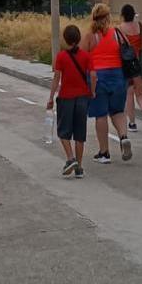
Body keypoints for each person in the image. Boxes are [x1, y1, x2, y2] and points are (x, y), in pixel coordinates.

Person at [82, 3, 132, 164]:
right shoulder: (117, 32)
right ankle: (123, 136)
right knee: (118, 111)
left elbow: (82, 58)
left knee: (100, 114)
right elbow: (128, 50)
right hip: (118, 75)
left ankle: (104, 152)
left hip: (98, 77)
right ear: (108, 17)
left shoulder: (90, 35)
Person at [47, 25, 94, 178]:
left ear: (66, 40)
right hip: (82, 98)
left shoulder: (61, 56)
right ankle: (79, 168)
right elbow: (93, 75)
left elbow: (56, 79)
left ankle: (70, 158)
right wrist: (92, 92)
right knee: (80, 134)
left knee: (63, 131)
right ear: (79, 38)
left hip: (66, 98)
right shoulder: (86, 56)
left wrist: (51, 98)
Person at [117, 4, 142, 133]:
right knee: (140, 94)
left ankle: (132, 123)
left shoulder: (120, 29)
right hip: (141, 64)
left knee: (129, 94)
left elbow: (119, 48)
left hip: (128, 65)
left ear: (123, 15)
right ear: (133, 14)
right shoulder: (141, 26)